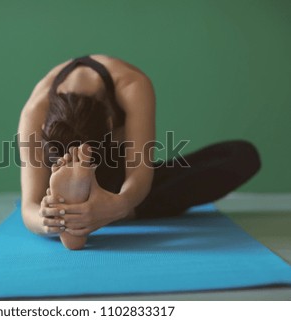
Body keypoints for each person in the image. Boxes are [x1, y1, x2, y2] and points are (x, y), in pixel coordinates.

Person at [17, 54, 261, 250]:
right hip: (65, 193)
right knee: (241, 156)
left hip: (119, 178)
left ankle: (84, 206)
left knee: (239, 156)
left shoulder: (131, 85)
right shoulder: (34, 111)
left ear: (111, 126)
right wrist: (47, 220)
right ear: (43, 129)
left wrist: (118, 206)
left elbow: (140, 175)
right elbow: (30, 205)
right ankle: (75, 205)